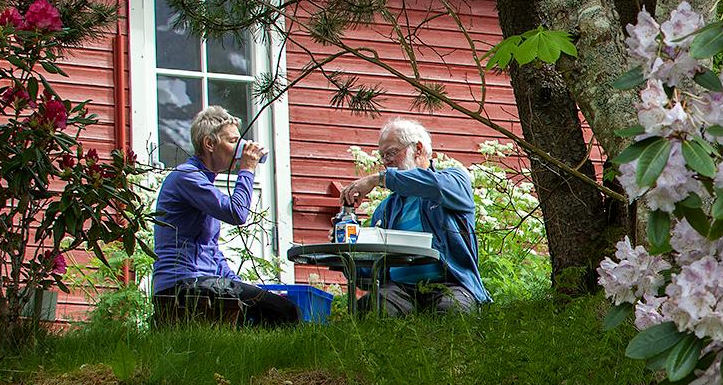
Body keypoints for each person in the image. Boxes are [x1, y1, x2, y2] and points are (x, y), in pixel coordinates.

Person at [151, 105, 301, 326]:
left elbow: (211, 251)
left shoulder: (202, 182)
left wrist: (241, 285)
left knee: (271, 305)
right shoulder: (186, 177)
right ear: (209, 144)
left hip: (201, 281)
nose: (240, 148)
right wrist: (247, 169)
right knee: (285, 311)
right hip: (182, 283)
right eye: (232, 141)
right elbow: (237, 213)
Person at [338, 118, 490, 314]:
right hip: (400, 290)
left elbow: (435, 186)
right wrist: (346, 254)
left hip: (450, 283)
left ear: (418, 149)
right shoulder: (385, 209)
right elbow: (369, 275)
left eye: (391, 152)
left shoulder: (455, 180)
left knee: (453, 310)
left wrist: (378, 179)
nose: (386, 161)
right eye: (383, 156)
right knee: (373, 306)